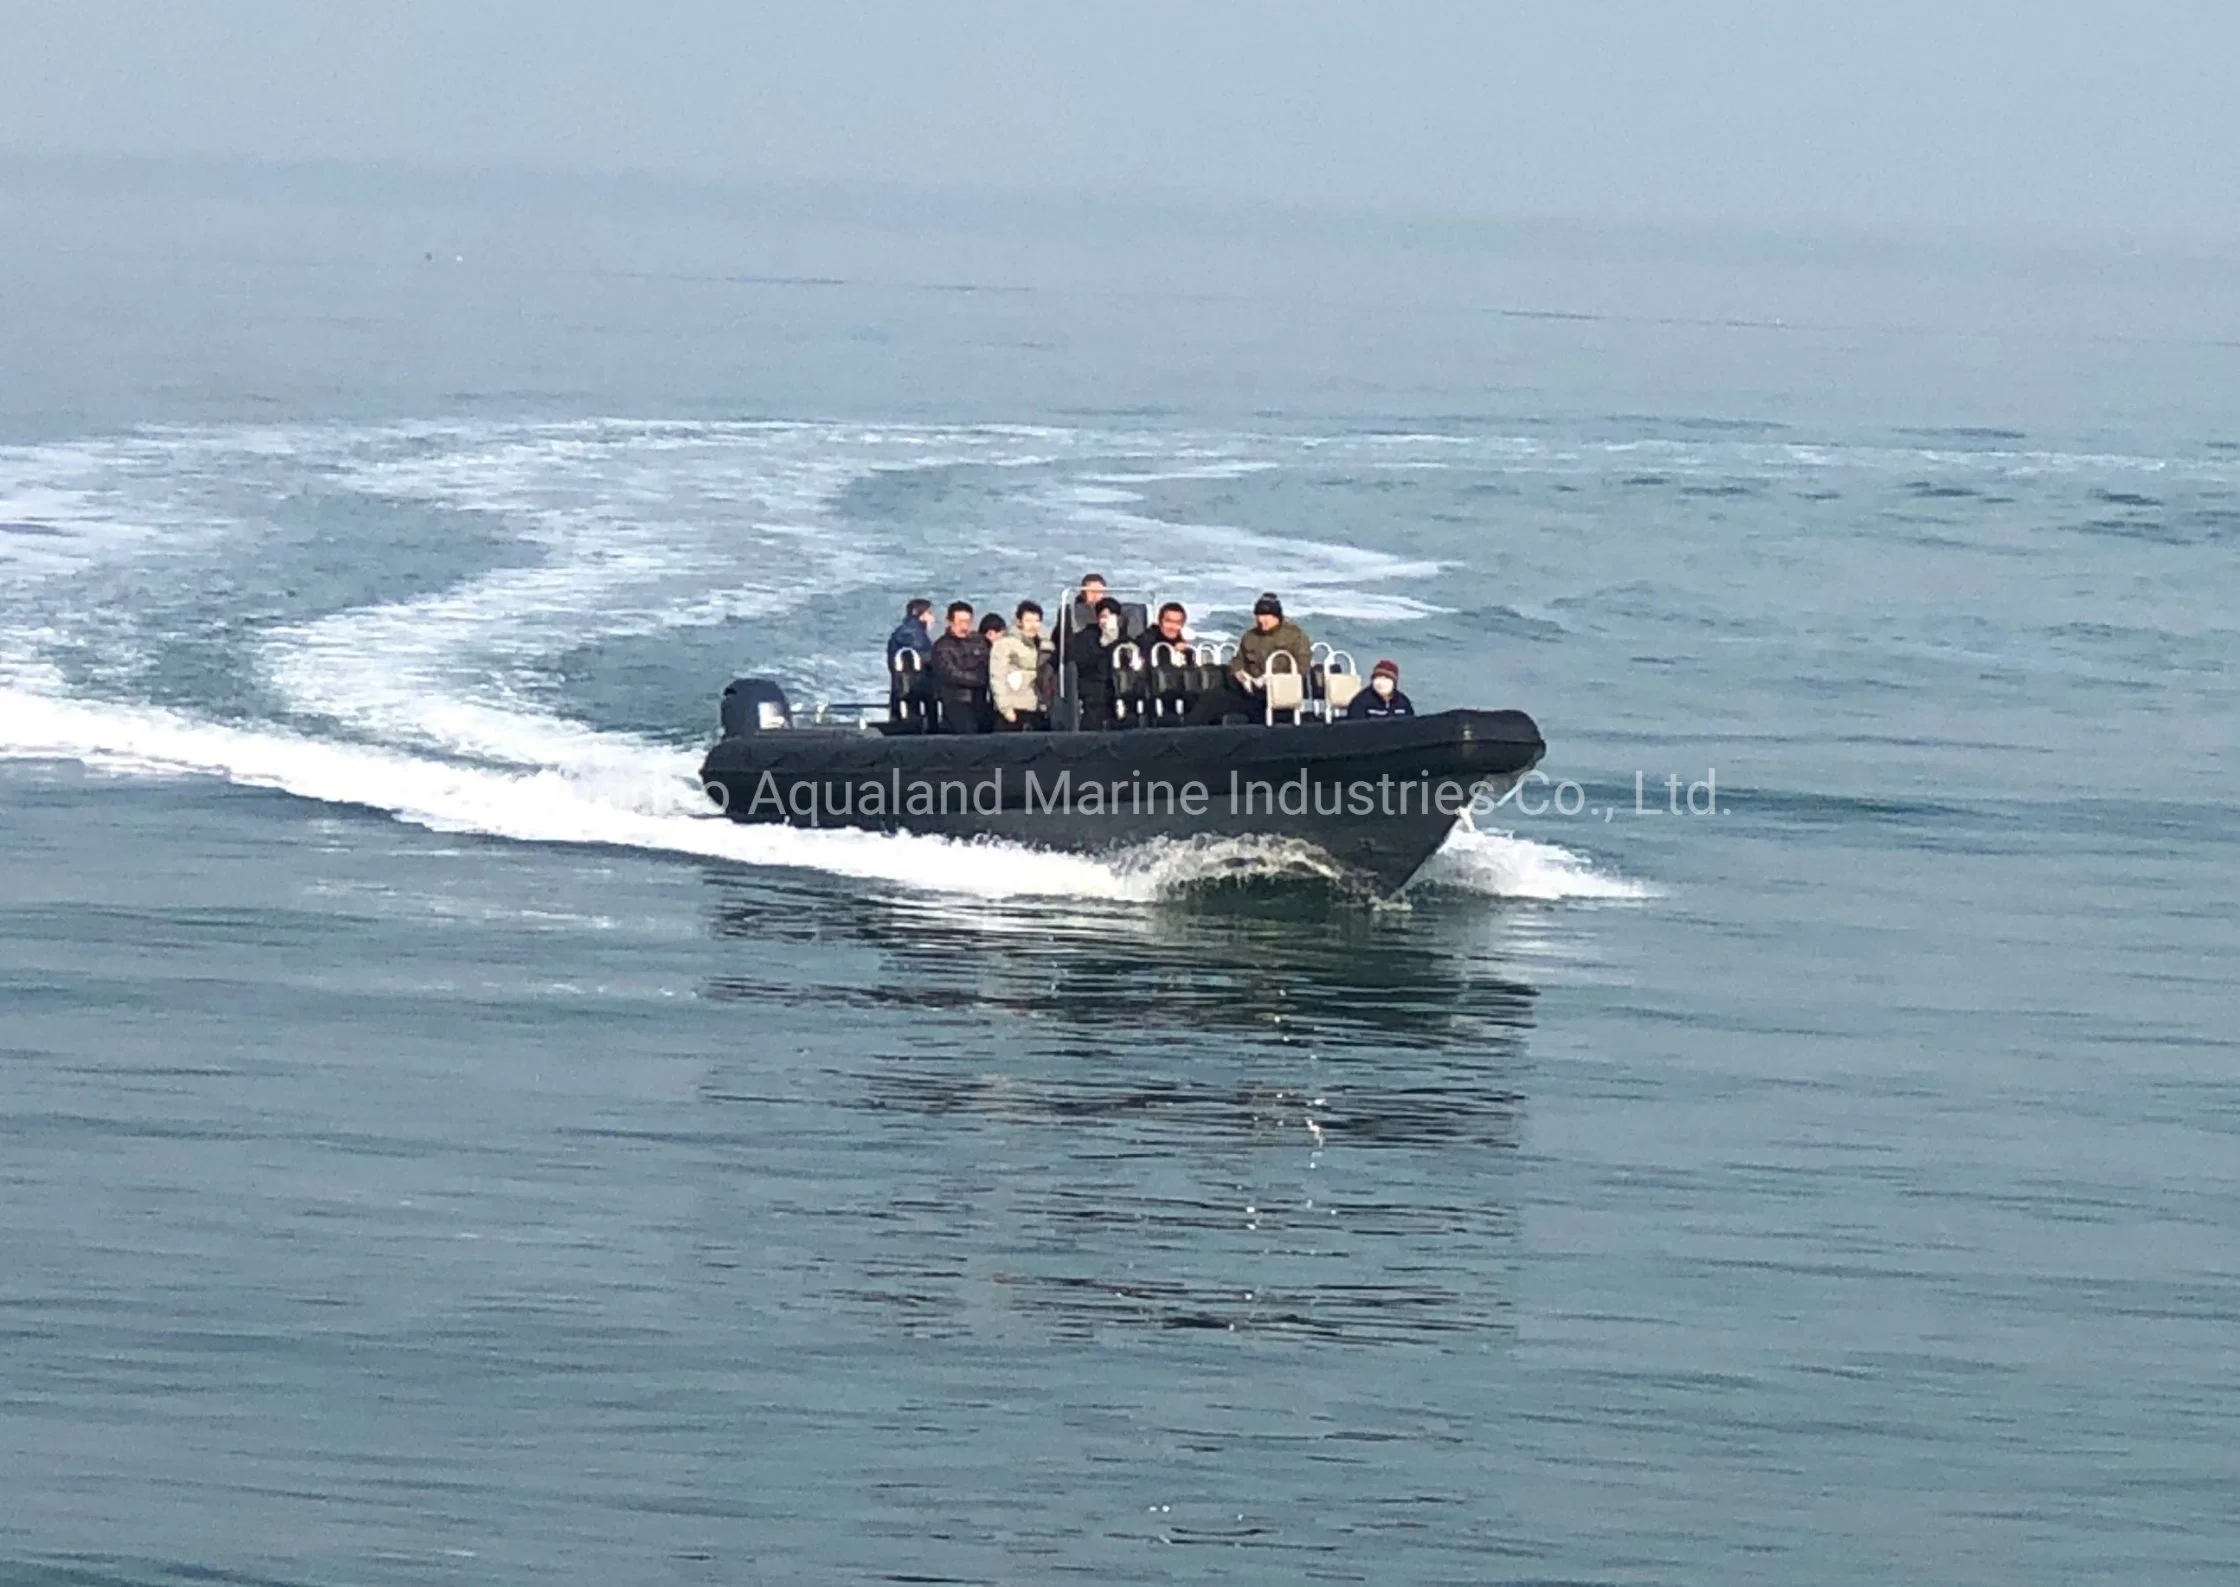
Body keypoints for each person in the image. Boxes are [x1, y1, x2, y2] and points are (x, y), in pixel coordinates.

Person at [1187, 592, 1312, 724]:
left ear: (1277, 616)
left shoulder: (1294, 636)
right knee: (1212, 697)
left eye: (1266, 616)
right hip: (1251, 694)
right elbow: (1237, 660)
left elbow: (1302, 667)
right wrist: (1241, 675)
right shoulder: (1250, 636)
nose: (1261, 620)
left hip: (1279, 698)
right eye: (1258, 615)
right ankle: (1187, 732)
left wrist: (1272, 680)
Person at [928, 601, 991, 733]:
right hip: (956, 701)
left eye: (968, 622)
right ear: (950, 622)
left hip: (980, 699)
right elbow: (950, 673)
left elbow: (989, 662)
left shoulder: (980, 641)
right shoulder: (942, 646)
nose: (964, 626)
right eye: (960, 622)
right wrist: (978, 678)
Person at [989, 600, 1053, 730]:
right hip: (1014, 707)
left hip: (1038, 707)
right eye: (1028, 621)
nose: (1033, 625)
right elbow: (997, 677)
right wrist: (1005, 708)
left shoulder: (1046, 645)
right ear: (1019, 622)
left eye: (1037, 621)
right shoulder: (1005, 644)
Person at [1071, 595, 1130, 729]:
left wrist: (1115, 642)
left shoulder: (1126, 642)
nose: (1106, 621)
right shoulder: (1084, 638)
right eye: (1103, 616)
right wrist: (1105, 645)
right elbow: (1082, 664)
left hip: (1121, 693)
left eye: (1111, 616)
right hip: (1094, 696)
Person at [1346, 657, 1415, 719]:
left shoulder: (1403, 702)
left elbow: (1411, 725)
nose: (1381, 683)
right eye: (1378, 678)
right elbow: (1355, 727)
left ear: (1394, 683)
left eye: (1386, 678)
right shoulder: (1360, 702)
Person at [886, 597, 934, 668]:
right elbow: (926, 657)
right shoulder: (913, 633)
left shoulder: (907, 629)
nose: (933, 618)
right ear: (921, 615)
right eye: (930, 613)